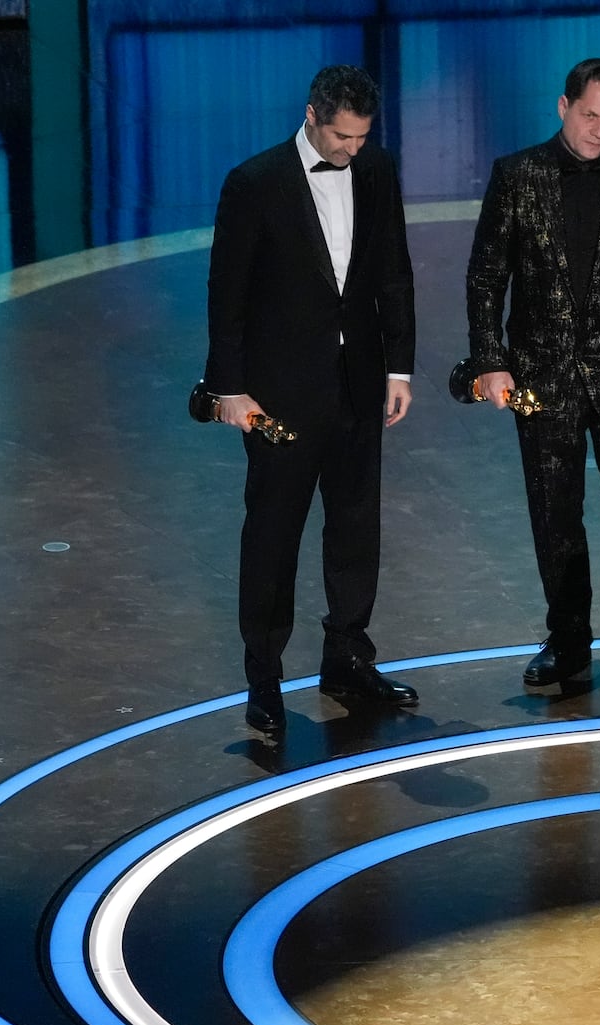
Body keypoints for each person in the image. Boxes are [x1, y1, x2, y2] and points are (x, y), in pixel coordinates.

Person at [203, 65, 418, 733]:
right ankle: (263, 678)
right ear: (311, 116)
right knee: (273, 534)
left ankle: (348, 656)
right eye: (342, 137)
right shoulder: (255, 183)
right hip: (279, 399)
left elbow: (393, 271)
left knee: (356, 528)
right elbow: (227, 294)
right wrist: (228, 388)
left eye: (362, 137)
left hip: (359, 384)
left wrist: (400, 369)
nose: (353, 149)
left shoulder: (377, 169)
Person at [466, 57, 600, 686]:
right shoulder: (517, 176)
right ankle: (568, 644)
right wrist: (490, 362)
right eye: (589, 115)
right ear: (563, 107)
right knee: (555, 516)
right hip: (542, 381)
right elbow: (487, 277)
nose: (599, 130)